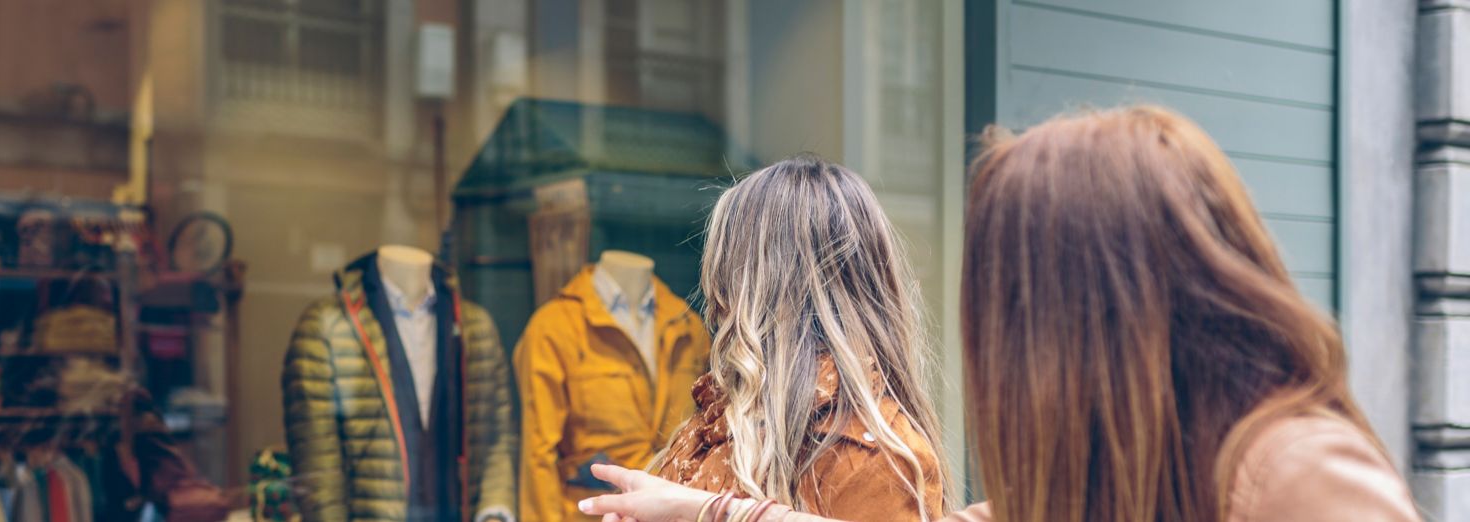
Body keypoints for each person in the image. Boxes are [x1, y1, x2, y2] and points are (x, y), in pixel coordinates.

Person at [575, 106, 1420, 522]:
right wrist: (703, 510)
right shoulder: (1100, 474)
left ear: (1099, 308)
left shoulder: (1291, 470)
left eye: (1011, 300)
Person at [624, 155, 950, 522]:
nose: (716, 300)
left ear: (752, 288)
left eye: (725, 271)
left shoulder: (876, 460)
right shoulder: (721, 419)